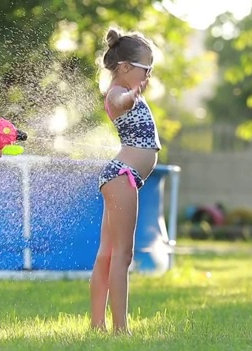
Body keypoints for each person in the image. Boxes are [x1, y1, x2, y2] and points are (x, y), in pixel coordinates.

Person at [90, 27, 161, 335]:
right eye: (147, 70)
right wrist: (131, 96)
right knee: (122, 255)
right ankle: (120, 329)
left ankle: (97, 324)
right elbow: (119, 102)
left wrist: (134, 94)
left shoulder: (126, 88)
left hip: (121, 177)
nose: (149, 76)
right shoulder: (118, 91)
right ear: (126, 67)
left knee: (108, 254)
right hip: (123, 176)